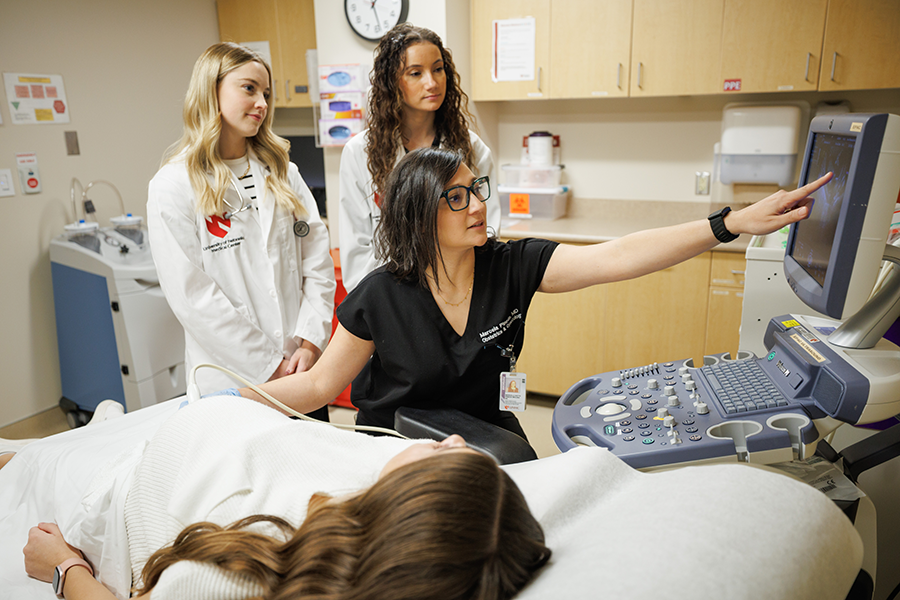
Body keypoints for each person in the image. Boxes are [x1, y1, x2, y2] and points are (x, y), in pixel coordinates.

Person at [240, 147, 833, 440]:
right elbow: (319, 385)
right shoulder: (380, 294)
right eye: (457, 197)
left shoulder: (511, 264)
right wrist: (235, 400)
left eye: (477, 190)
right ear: (420, 215)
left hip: (489, 434)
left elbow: (618, 255)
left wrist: (728, 223)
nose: (478, 206)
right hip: (401, 444)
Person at [1, 396, 550, 599]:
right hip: (183, 429)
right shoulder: (374, 504)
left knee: (26, 464)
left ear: (408, 508)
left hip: (117, 496)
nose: (451, 438)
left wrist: (63, 569)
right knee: (64, 438)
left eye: (445, 454)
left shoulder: (240, 574)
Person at [147, 42, 335, 416]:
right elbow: (194, 298)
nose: (262, 103)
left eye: (266, 92)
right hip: (231, 380)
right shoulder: (173, 185)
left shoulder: (284, 173)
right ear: (210, 91)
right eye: (249, 88)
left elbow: (317, 262)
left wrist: (311, 342)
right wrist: (270, 365)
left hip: (301, 370)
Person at [339, 22, 498, 292]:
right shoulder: (359, 153)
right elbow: (357, 251)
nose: (432, 82)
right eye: (416, 73)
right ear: (391, 81)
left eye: (438, 69)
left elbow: (488, 230)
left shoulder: (471, 147)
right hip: (391, 299)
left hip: (458, 291)